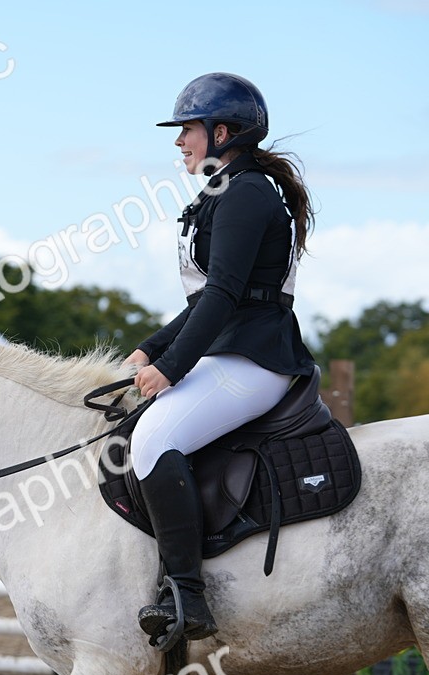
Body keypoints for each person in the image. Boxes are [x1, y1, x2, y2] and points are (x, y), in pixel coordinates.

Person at [124, 73, 317, 643]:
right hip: (231, 350)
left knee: (154, 440)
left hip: (255, 359)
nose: (180, 141)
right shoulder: (225, 189)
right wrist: (151, 348)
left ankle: (187, 593)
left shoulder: (246, 192)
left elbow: (224, 295)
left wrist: (170, 368)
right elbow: (206, 299)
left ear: (222, 131)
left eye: (188, 130)